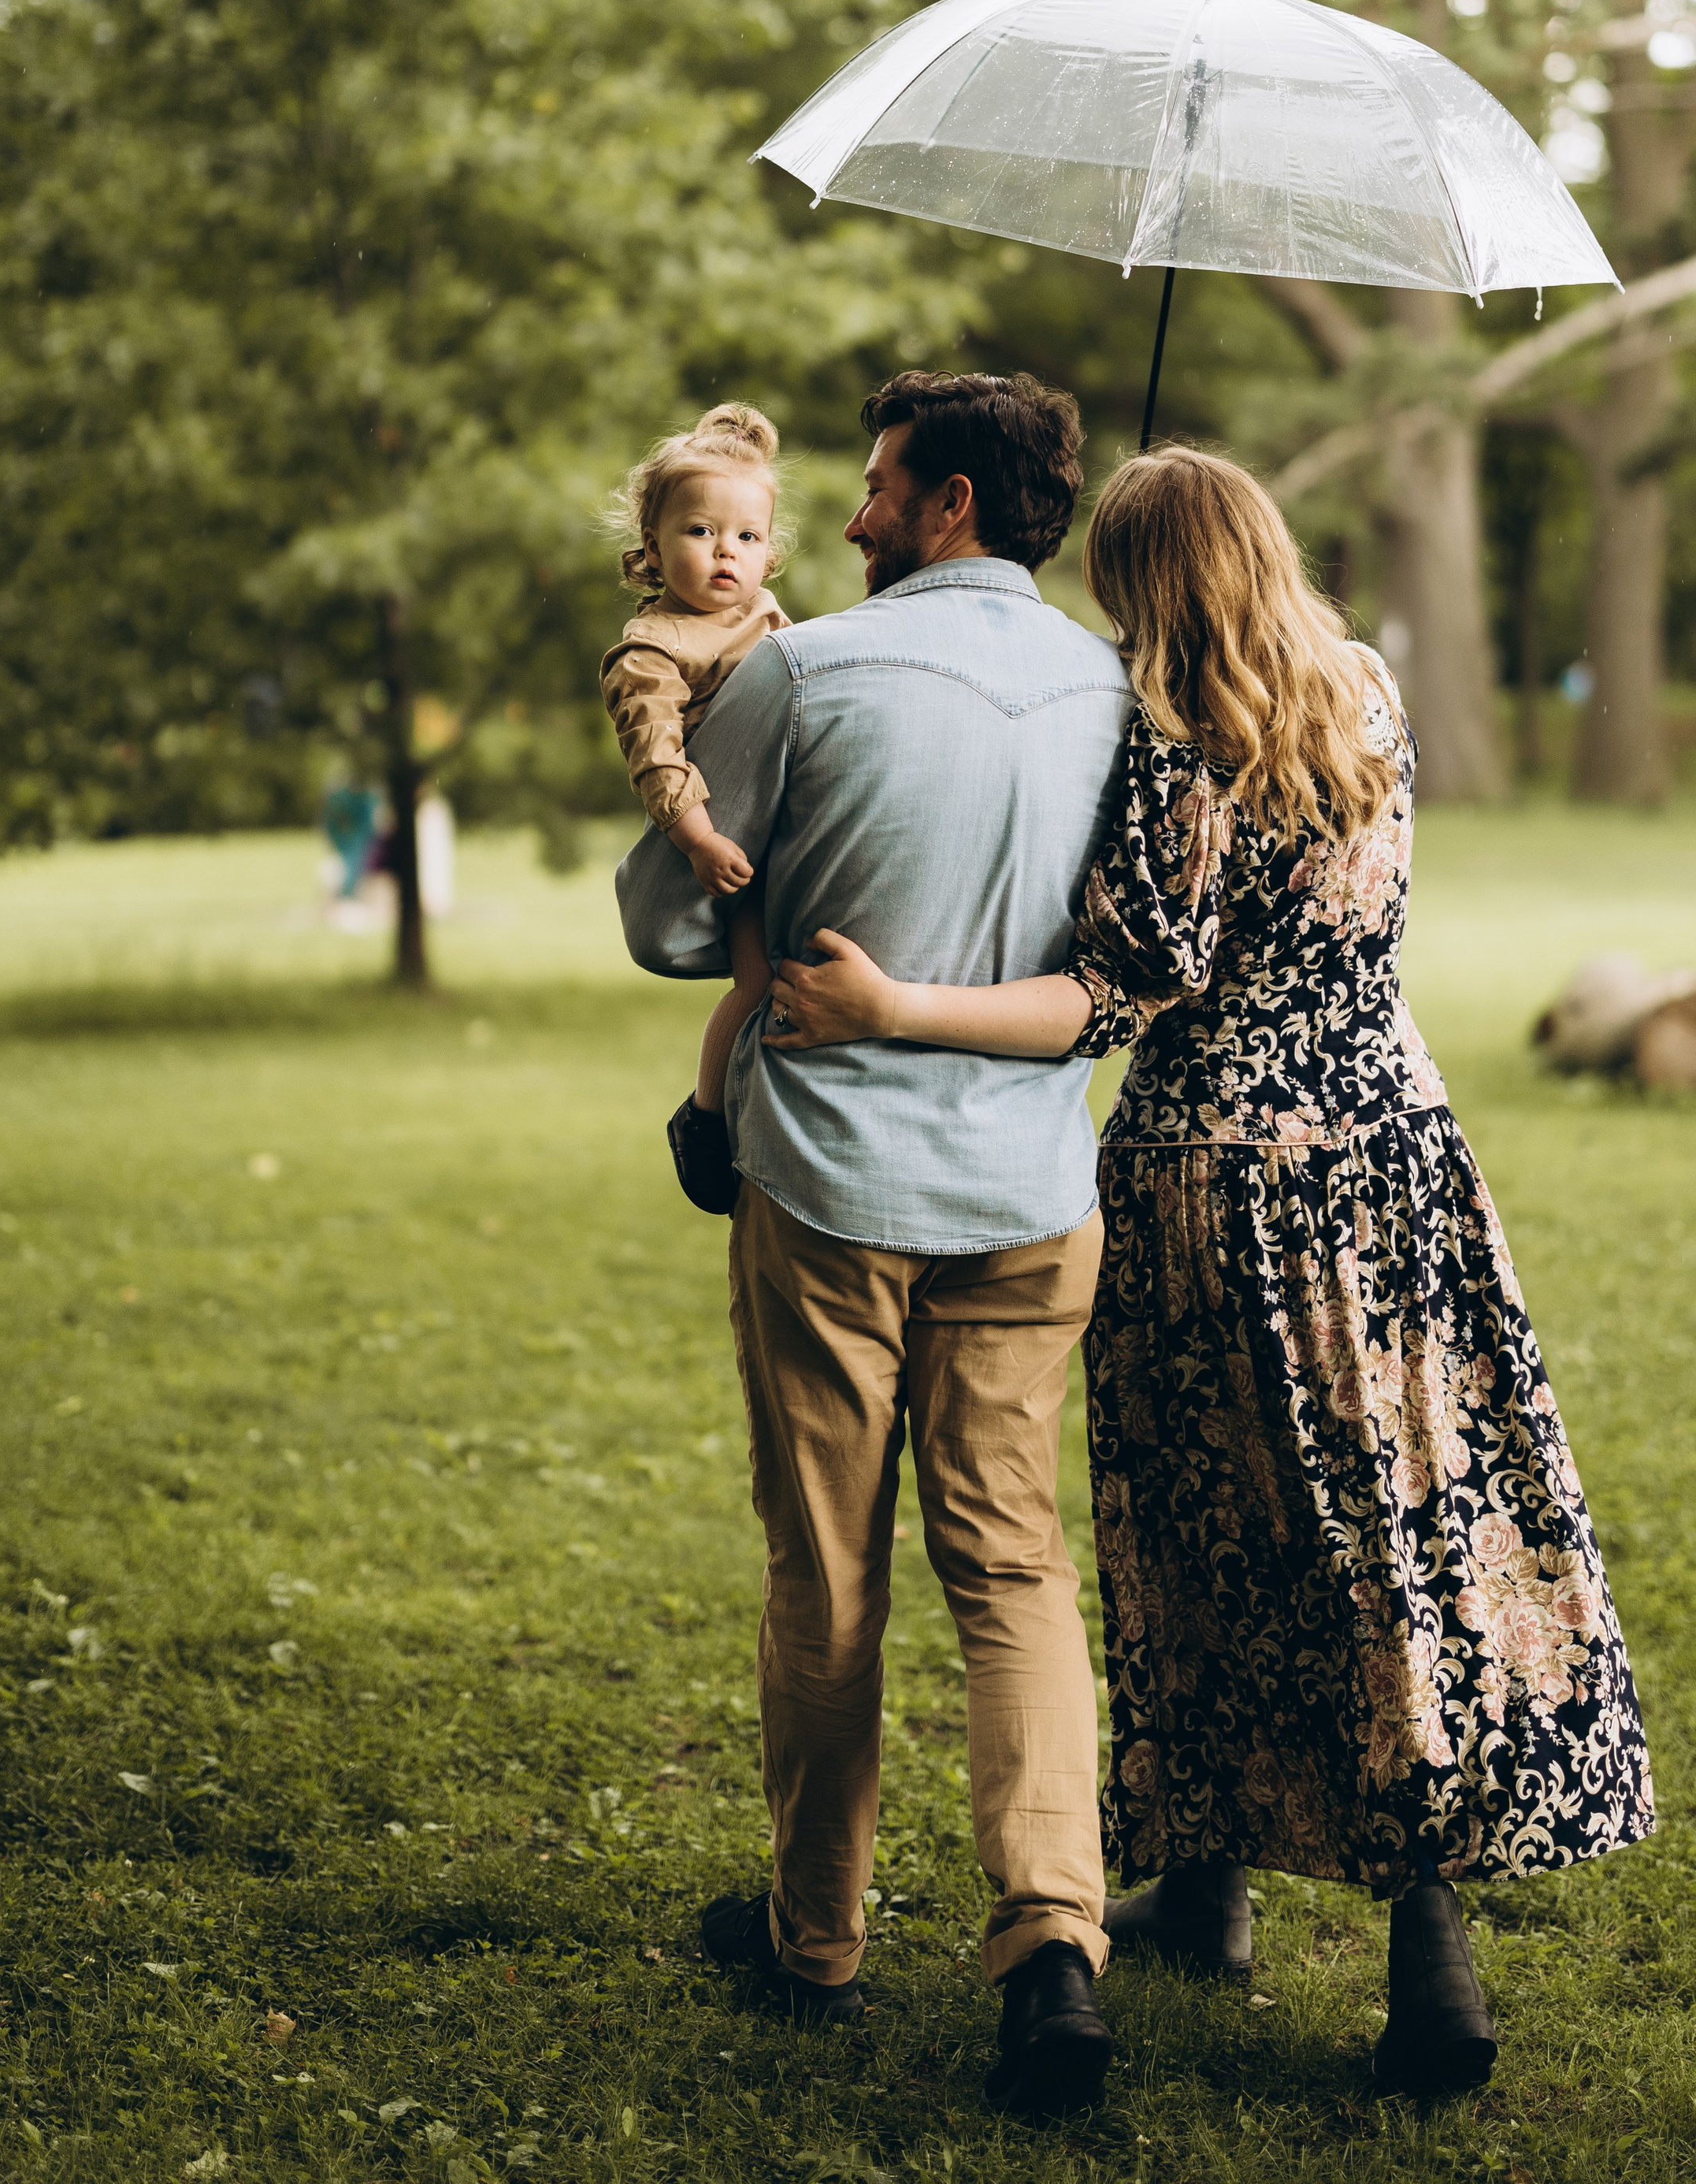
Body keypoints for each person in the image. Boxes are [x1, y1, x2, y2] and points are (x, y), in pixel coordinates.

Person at [768, 444, 1656, 2103]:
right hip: (1393, 1154)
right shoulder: (1368, 690)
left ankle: (1316, 1918)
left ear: (1141, 585)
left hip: (1210, 1180)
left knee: (1203, 1528)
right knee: (1381, 1527)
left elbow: (1117, 990)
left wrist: (897, 1004)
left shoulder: (1164, 747)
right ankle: (1311, 1915)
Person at [615, 373, 1133, 2117]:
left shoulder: (801, 670)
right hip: (1029, 1196)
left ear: (956, 504)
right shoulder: (1117, 690)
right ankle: (1052, 1933)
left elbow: (670, 915)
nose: (841, 519)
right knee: (1012, 1566)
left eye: (877, 487)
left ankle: (813, 1933)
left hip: (830, 1187)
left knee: (824, 1566)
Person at [600, 405, 792, 1187]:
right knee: (757, 987)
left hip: (798, 824)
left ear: (769, 554)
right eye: (700, 532)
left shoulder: (773, 621)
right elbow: (658, 755)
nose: (726, 552)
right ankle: (706, 1117)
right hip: (734, 839)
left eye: (746, 538)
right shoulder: (652, 648)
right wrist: (699, 839)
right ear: (651, 548)